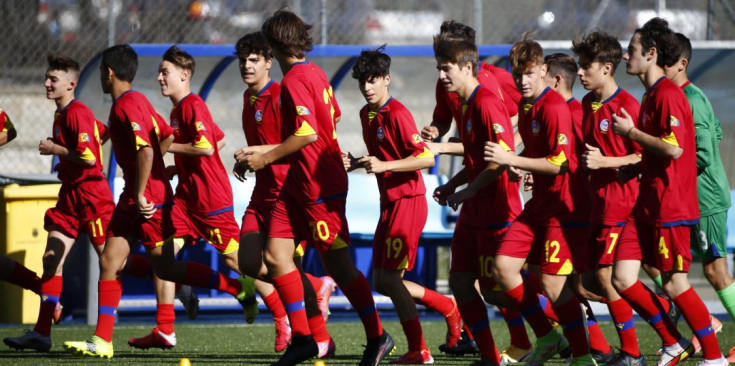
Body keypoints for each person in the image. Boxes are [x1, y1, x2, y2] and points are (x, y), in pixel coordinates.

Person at [63, 44, 248, 359]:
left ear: (109, 73)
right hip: (134, 197)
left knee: (167, 268)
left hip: (150, 200)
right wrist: (156, 172)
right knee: (111, 261)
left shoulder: (129, 105)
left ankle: (237, 289)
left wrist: (142, 188)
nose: (161, 78)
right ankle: (103, 340)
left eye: (166, 72)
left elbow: (148, 149)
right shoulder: (135, 103)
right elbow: (164, 136)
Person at [239, 10, 392, 365]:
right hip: (297, 184)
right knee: (277, 258)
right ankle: (304, 339)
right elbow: (332, 115)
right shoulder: (315, 72)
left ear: (275, 45)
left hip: (321, 188)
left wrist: (267, 157)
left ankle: (377, 336)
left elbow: (307, 132)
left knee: (340, 268)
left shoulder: (293, 80)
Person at [126, 45, 263, 350]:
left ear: (184, 75)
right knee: (161, 257)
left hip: (210, 200)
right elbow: (219, 138)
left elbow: (206, 147)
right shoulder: (178, 110)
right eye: (160, 72)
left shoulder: (191, 105)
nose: (160, 78)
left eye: (166, 72)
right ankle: (165, 327)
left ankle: (286, 311)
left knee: (240, 262)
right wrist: (179, 165)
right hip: (186, 200)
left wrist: (168, 147)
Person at [610, 17, 727, 366]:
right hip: (646, 204)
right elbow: (659, 153)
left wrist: (631, 133)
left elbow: (674, 149)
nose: (625, 56)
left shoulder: (669, 95)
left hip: (670, 206)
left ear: (650, 54)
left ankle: (714, 357)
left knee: (676, 284)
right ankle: (674, 341)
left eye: (631, 50)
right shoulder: (649, 96)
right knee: (621, 277)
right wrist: (633, 166)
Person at [483, 37, 594, 366]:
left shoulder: (555, 107)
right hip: (539, 205)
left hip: (562, 208)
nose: (522, 81)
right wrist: (526, 165)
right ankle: (546, 336)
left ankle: (584, 356)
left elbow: (559, 162)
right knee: (503, 269)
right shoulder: (526, 106)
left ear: (544, 71)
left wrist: (511, 159)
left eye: (529, 73)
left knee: (557, 283)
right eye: (517, 74)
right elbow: (542, 157)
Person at [342, 45, 454, 364]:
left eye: (373, 80)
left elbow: (425, 157)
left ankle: (419, 349)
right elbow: (383, 159)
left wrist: (385, 166)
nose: (367, 87)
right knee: (380, 280)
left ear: (387, 79)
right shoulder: (367, 114)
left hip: (408, 202)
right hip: (389, 203)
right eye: (362, 81)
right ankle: (447, 307)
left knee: (390, 279)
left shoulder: (398, 113)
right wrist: (358, 163)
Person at [233, 32, 337, 357]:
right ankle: (316, 286)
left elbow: (300, 140)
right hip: (261, 193)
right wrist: (249, 164)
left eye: (254, 60)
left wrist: (259, 152)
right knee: (248, 261)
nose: (247, 66)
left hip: (286, 196)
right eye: (242, 60)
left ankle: (318, 339)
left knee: (280, 265)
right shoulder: (249, 102)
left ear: (268, 62)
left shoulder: (281, 94)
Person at [4, 55, 109, 353]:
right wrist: (71, 150)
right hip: (70, 195)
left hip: (92, 195)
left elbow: (87, 156)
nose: (47, 83)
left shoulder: (76, 112)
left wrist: (56, 149)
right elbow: (101, 133)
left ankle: (174, 283)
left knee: (112, 262)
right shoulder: (63, 114)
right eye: (46, 78)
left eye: (53, 79)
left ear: (71, 84)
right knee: (51, 259)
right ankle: (42, 332)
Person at [431, 36, 521, 366]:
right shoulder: (467, 106)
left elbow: (500, 159)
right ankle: (489, 356)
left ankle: (558, 320)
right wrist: (455, 184)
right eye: (439, 68)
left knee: (498, 290)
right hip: (474, 208)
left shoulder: (487, 103)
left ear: (468, 67)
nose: (441, 76)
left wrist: (467, 190)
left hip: (497, 207)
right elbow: (476, 162)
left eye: (446, 69)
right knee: (460, 280)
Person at [571, 30, 647, 366]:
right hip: (596, 203)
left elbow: (646, 157)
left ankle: (632, 351)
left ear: (607, 67)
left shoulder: (628, 106)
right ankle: (662, 314)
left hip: (622, 203)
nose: (580, 72)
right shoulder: (588, 104)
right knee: (586, 281)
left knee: (605, 278)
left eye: (586, 66)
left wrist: (607, 162)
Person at [543, 52, 616, 364]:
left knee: (596, 283)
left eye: (539, 75)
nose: (529, 82)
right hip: (557, 208)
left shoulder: (573, 111)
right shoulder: (565, 109)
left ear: (556, 80)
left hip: (575, 211)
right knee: (568, 285)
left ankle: (667, 314)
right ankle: (593, 344)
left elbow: (584, 161)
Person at [664, 32, 733, 360]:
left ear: (682, 63)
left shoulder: (692, 99)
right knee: (662, 266)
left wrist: (662, 162)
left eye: (666, 60)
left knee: (715, 271)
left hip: (706, 201)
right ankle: (704, 323)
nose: (658, 65)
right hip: (685, 201)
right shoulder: (672, 97)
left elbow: (704, 152)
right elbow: (716, 130)